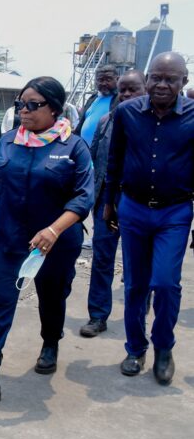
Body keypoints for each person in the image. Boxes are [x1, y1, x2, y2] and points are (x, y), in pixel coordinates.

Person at [0, 77, 93, 404]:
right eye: (21, 104)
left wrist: (54, 230)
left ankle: (50, 342)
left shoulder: (72, 146)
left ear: (55, 109)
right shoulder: (8, 142)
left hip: (54, 243)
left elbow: (83, 197)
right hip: (8, 238)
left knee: (52, 297)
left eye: (33, 105)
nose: (24, 111)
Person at [104, 52, 194, 385]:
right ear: (147, 78)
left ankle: (164, 348)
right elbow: (114, 160)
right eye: (156, 77)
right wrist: (109, 204)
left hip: (175, 211)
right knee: (135, 285)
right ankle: (135, 348)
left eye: (170, 79)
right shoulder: (127, 113)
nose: (161, 84)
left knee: (166, 283)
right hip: (134, 208)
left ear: (183, 81)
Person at [79, 70, 146, 337]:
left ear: (146, 89)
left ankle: (138, 317)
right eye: (124, 91)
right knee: (102, 259)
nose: (127, 95)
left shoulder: (154, 125)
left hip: (139, 204)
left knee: (137, 264)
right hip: (106, 201)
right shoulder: (107, 121)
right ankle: (97, 316)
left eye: (134, 90)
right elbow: (91, 160)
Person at [75, 65, 119, 145]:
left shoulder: (120, 99)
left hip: (104, 152)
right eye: (100, 80)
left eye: (108, 79)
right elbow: (81, 123)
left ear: (117, 79)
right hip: (84, 149)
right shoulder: (93, 98)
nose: (104, 83)